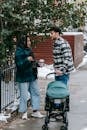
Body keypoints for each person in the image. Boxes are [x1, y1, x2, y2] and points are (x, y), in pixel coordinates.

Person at [15, 35, 44, 119]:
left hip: (32, 75)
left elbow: (32, 62)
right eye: (27, 41)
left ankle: (36, 111)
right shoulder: (18, 52)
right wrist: (27, 59)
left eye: (29, 41)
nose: (29, 43)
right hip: (23, 76)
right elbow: (19, 65)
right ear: (23, 42)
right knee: (24, 95)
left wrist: (37, 64)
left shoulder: (29, 50)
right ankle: (23, 112)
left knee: (36, 93)